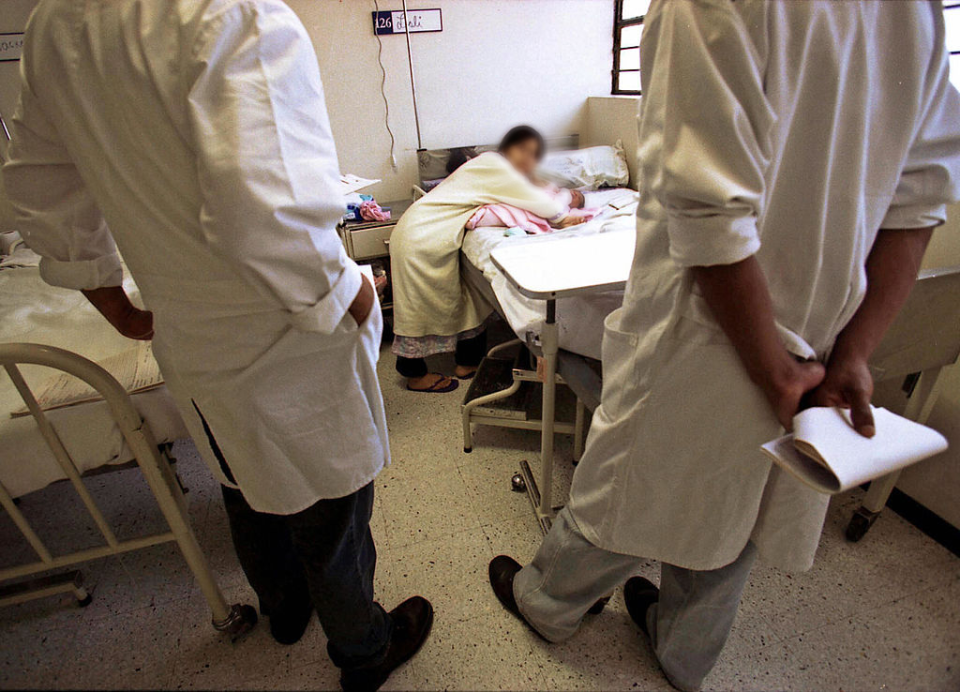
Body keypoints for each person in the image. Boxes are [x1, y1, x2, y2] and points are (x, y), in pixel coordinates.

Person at [488, 2, 960, 690]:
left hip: (707, 326)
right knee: (742, 508)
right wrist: (853, 353)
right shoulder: (912, 12)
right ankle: (684, 654)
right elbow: (918, 205)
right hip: (822, 335)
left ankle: (547, 604)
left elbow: (706, 212)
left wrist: (772, 368)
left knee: (622, 491)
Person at [2, 1, 431, 689]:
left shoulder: (59, 22)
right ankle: (362, 646)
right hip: (287, 328)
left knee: (242, 478)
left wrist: (112, 300)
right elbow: (266, 205)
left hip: (186, 328)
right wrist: (348, 293)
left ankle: (285, 611)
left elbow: (42, 189)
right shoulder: (235, 14)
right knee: (332, 504)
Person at [389, 125, 584, 393]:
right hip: (420, 236)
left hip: (430, 233)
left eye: (534, 154)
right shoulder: (493, 164)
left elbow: (524, 197)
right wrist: (562, 213)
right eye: (522, 149)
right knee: (417, 307)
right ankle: (414, 375)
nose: (527, 158)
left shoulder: (497, 173)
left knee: (470, 300)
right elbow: (537, 202)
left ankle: (467, 362)